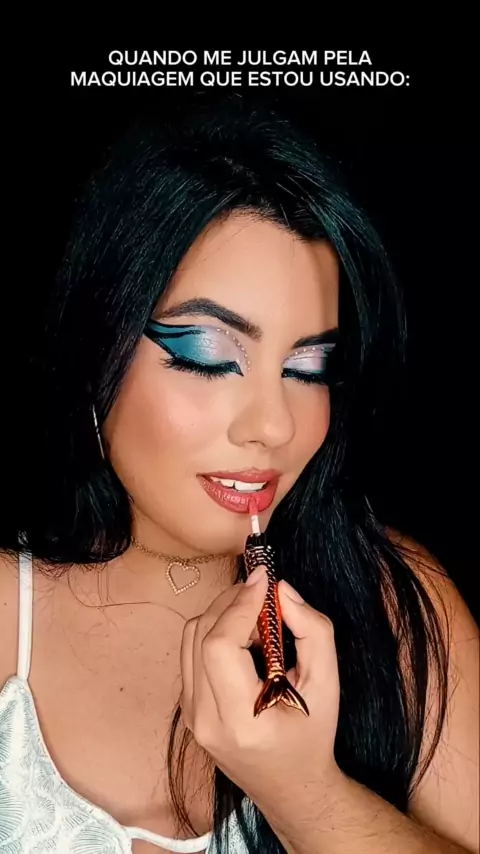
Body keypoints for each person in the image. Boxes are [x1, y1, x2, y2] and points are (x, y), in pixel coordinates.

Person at [0, 95, 478, 854]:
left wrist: (308, 796)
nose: (275, 426)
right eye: (210, 356)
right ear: (96, 350)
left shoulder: (401, 610)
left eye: (309, 367)